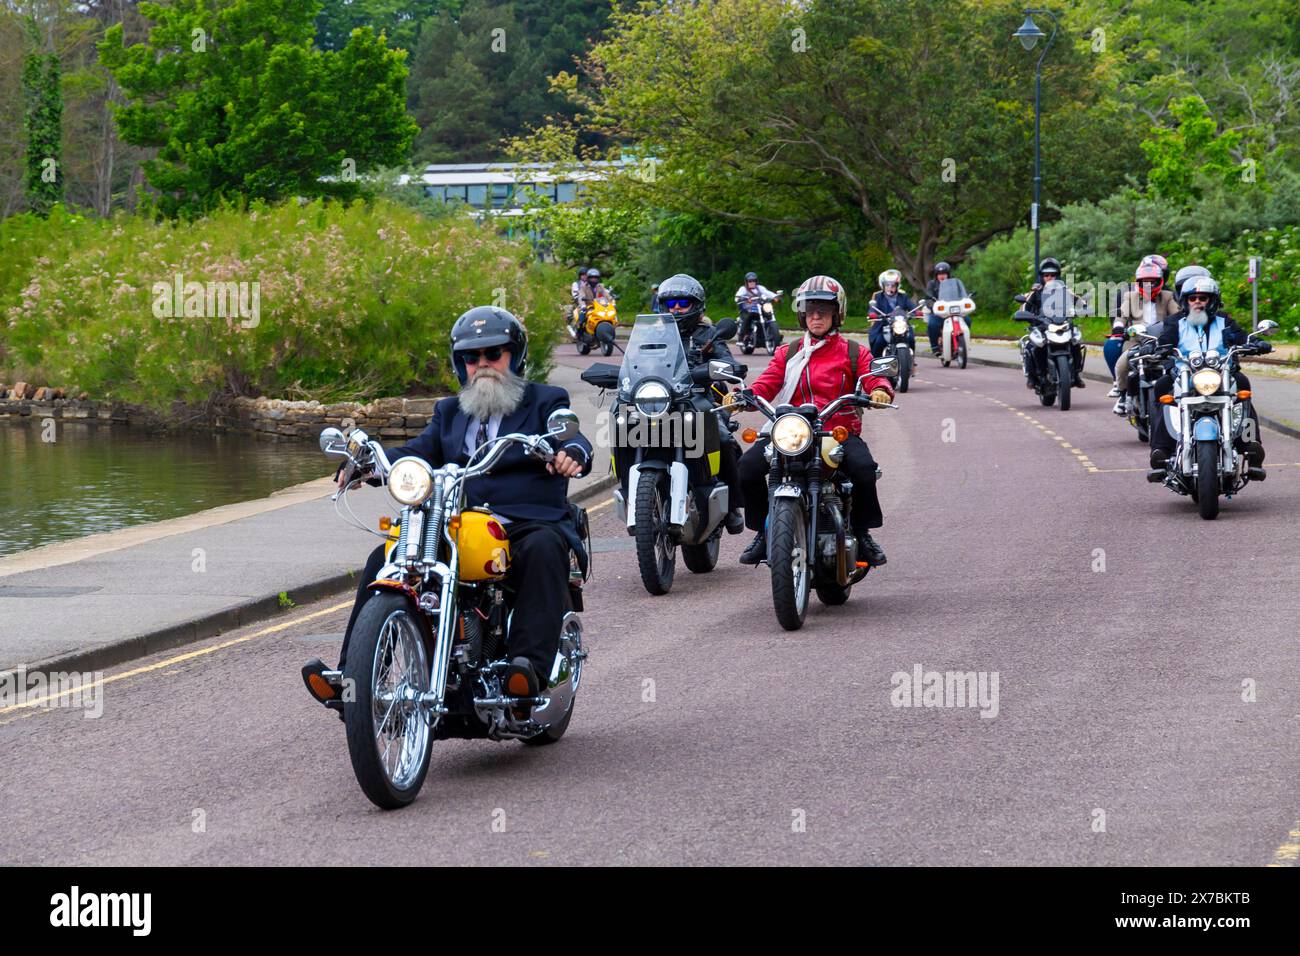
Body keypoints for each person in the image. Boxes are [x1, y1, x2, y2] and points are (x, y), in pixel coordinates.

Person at [301, 306, 594, 710]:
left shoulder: (545, 400)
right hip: (458, 523)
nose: (483, 365)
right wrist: (369, 463)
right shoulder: (449, 411)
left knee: (543, 549)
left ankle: (528, 670)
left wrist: (571, 453)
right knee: (382, 559)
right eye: (472, 358)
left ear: (515, 356)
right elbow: (418, 452)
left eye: (494, 354)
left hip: (526, 522)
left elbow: (573, 437)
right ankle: (354, 677)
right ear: (461, 364)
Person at [735, 274, 894, 568]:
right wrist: (744, 397)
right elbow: (767, 383)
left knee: (862, 470)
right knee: (747, 468)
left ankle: (862, 533)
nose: (816, 315)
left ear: (837, 313)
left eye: (823, 309)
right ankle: (762, 532)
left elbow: (873, 374)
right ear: (802, 314)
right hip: (792, 430)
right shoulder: (789, 351)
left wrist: (881, 389)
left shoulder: (852, 351)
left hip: (836, 431)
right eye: (810, 309)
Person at [652, 272, 746, 534]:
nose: (678, 308)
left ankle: (732, 506)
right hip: (660, 401)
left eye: (683, 303)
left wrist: (720, 368)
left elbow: (728, 362)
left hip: (699, 398)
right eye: (672, 304)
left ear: (697, 305)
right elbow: (634, 362)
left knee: (724, 439)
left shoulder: (708, 334)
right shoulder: (654, 333)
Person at [1148, 275, 1269, 476]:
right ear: (1185, 301)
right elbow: (1165, 340)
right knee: (1162, 387)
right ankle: (1160, 450)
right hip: (1184, 376)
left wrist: (1254, 343)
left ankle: (1251, 445)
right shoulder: (1175, 322)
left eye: (1202, 298)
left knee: (1243, 385)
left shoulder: (1225, 321)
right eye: (1192, 298)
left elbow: (1242, 338)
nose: (1197, 302)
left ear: (1212, 301)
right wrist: (1155, 348)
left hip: (1221, 375)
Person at [1110, 257, 1179, 413]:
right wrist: (1118, 326)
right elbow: (1122, 315)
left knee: (1177, 365)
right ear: (1138, 283)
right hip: (1137, 342)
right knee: (1122, 365)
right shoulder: (1130, 296)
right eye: (1144, 282)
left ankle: (1179, 394)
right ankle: (1122, 396)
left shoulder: (1167, 296)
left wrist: (1179, 324)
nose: (1148, 285)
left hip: (1161, 342)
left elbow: (1177, 315)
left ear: (1159, 281)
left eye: (1152, 281)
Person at [1022, 257, 1087, 388]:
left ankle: (1076, 374)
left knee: (1076, 343)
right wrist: (1025, 314)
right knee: (1031, 345)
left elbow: (1080, 302)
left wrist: (1084, 308)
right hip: (1041, 325)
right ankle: (1032, 377)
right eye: (1046, 275)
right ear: (1042, 276)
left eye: (1053, 275)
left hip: (1063, 323)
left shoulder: (1065, 290)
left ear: (1057, 276)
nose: (1050, 277)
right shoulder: (1036, 291)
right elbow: (1024, 307)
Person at [867, 269, 919, 358]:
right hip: (884, 325)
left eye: (893, 285)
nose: (890, 287)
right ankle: (875, 363)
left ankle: (911, 360)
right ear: (883, 285)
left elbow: (911, 306)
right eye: (887, 285)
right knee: (879, 342)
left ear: (897, 286)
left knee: (910, 339)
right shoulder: (878, 296)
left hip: (901, 324)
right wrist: (872, 314)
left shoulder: (903, 296)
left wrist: (917, 312)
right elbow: (872, 308)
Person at [923, 261, 971, 355]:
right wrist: (932, 305)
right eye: (939, 274)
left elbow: (962, 294)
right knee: (932, 324)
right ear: (936, 275)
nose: (942, 276)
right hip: (940, 313)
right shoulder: (932, 284)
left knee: (967, 320)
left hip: (955, 311)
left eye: (944, 274)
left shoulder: (955, 283)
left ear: (948, 274)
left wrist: (966, 299)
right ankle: (935, 347)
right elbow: (928, 298)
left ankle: (964, 341)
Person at [734, 271, 778, 344]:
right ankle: (742, 336)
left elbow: (767, 293)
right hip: (747, 310)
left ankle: (773, 333)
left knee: (769, 313)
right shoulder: (743, 289)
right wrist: (743, 298)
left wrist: (775, 297)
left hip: (759, 309)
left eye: (753, 280)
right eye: (750, 281)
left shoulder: (760, 288)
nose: (752, 282)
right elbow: (737, 297)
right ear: (746, 282)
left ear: (756, 281)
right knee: (748, 316)